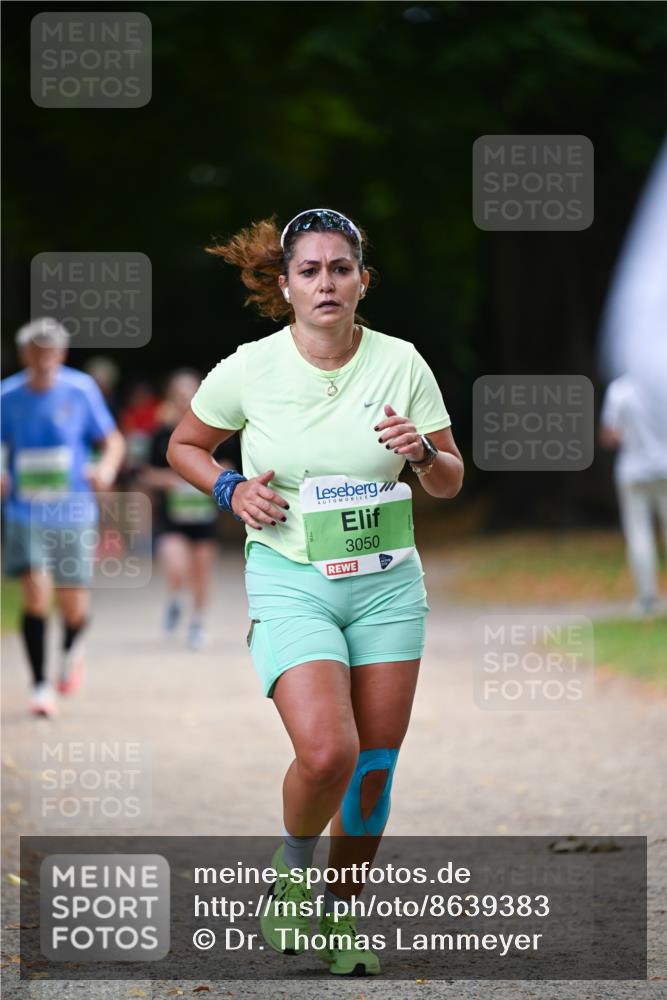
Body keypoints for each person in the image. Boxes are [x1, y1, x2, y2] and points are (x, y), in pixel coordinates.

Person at [167, 208, 464, 976]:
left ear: (362, 280)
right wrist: (231, 489)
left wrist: (423, 453)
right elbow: (186, 445)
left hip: (387, 586)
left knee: (373, 768)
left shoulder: (401, 363)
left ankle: (339, 916)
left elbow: (448, 478)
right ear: (285, 284)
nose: (326, 283)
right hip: (292, 577)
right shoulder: (250, 368)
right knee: (330, 752)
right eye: (309, 270)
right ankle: (293, 870)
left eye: (340, 268)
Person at [1, 317, 125, 717]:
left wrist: (105, 468)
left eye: (50, 350)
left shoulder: (81, 390)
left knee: (74, 606)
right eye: (36, 350)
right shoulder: (7, 396)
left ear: (62, 353)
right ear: (24, 354)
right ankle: (40, 685)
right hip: (24, 510)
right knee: (36, 594)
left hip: (72, 510)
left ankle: (72, 649)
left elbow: (112, 440)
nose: (43, 358)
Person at [140, 369, 232, 649]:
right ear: (171, 398)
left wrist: (207, 475)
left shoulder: (215, 429)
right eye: (179, 395)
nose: (184, 399)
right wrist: (166, 479)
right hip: (173, 518)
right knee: (177, 567)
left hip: (203, 518)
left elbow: (230, 467)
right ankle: (176, 600)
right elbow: (145, 473)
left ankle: (197, 624)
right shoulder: (162, 435)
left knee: (202, 574)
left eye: (189, 393)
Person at [599, 373, 667, 616]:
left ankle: (647, 598)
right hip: (664, 468)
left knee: (639, 533)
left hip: (633, 470)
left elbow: (609, 435)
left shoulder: (620, 390)